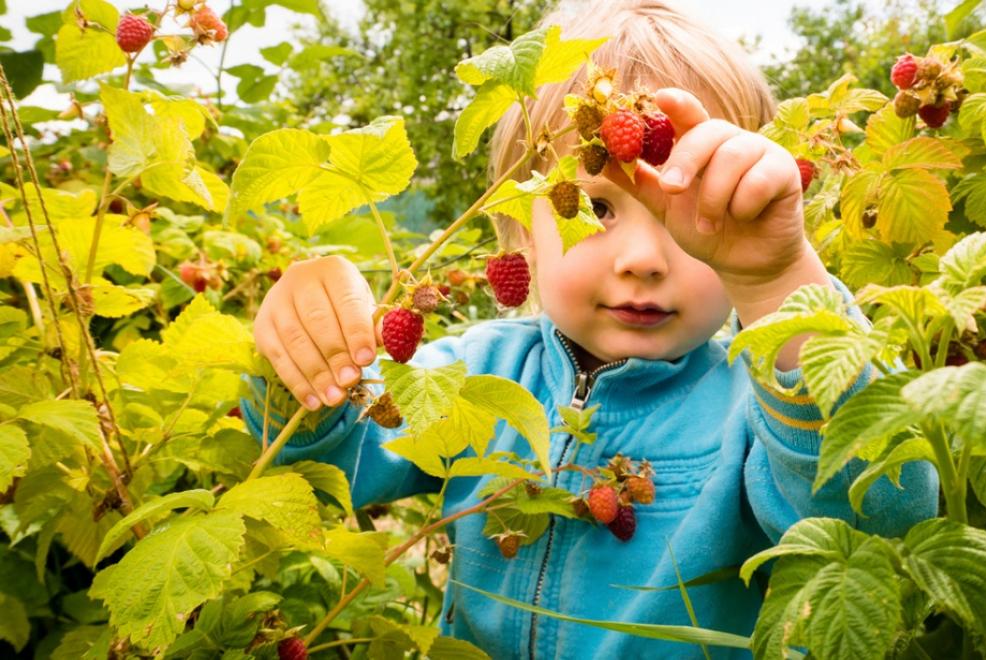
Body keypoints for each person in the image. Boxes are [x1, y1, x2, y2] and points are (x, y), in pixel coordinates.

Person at [243, 1, 938, 657]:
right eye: (597, 208)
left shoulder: (759, 411)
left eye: (686, 214)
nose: (642, 260)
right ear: (520, 227)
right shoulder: (478, 375)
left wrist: (779, 283)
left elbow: (881, 517)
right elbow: (333, 463)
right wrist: (307, 352)